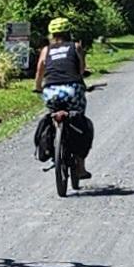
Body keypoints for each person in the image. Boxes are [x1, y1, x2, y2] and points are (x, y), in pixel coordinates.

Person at [33, 16, 94, 182]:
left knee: (52, 114)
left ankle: (53, 142)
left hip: (51, 92)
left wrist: (38, 87)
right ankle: (80, 167)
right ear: (68, 32)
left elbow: (40, 71)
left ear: (52, 34)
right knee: (82, 123)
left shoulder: (46, 50)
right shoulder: (76, 46)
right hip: (73, 90)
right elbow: (81, 70)